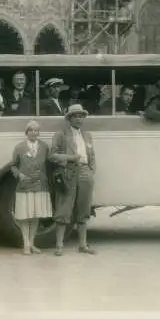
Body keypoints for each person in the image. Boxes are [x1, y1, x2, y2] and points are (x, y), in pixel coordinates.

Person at [49, 104, 97, 256]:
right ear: (69, 118)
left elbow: (92, 156)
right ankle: (59, 246)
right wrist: (70, 158)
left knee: (84, 209)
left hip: (84, 172)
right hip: (68, 172)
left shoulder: (87, 135)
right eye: (75, 116)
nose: (78, 119)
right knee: (64, 208)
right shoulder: (61, 134)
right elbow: (52, 155)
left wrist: (90, 170)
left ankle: (83, 245)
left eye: (81, 116)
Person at [11, 120, 52, 255]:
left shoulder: (45, 147)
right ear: (26, 132)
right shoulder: (19, 147)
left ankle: (32, 243)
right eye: (31, 130)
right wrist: (19, 174)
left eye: (36, 130)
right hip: (24, 186)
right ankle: (26, 244)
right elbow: (13, 166)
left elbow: (49, 163)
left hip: (40, 186)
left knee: (35, 216)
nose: (34, 133)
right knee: (24, 216)